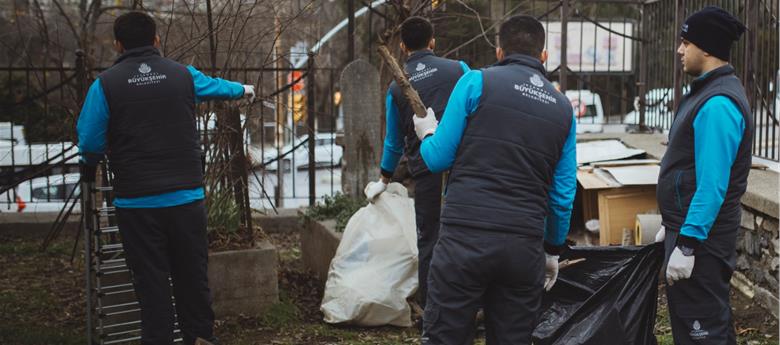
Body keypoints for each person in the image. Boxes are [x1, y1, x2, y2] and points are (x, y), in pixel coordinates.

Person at [76, 11, 255, 345]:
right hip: (186, 201)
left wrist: (89, 163)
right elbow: (217, 87)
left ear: (118, 45)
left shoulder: (105, 86)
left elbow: (89, 142)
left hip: (137, 204)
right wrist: (243, 89)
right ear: (156, 39)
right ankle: (200, 338)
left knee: (151, 285)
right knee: (192, 281)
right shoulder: (182, 75)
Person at [412, 15, 577, 345]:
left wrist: (427, 132)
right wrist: (551, 249)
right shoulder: (562, 108)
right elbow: (562, 194)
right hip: (522, 249)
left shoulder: (475, 83)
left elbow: (437, 158)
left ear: (500, 51)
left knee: (445, 336)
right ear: (543, 56)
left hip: (464, 242)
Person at [654, 6, 752, 344]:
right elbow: (687, 171)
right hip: (687, 233)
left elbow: (712, 185)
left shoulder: (717, 104)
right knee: (702, 327)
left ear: (706, 47)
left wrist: (688, 243)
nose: (680, 50)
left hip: (703, 247)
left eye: (686, 42)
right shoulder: (703, 93)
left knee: (703, 333)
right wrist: (671, 224)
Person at [363, 16, 469, 309]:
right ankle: (467, 305)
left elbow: (394, 142)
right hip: (462, 166)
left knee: (429, 239)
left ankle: (430, 308)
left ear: (402, 46)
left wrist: (383, 178)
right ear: (433, 42)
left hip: (425, 171)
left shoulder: (397, 87)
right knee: (465, 233)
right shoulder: (459, 70)